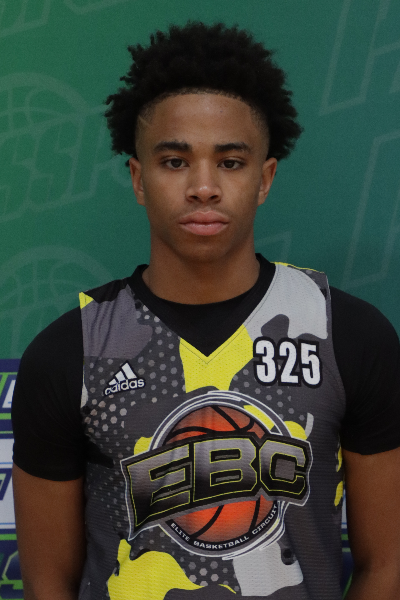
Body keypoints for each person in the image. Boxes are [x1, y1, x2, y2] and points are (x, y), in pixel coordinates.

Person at [11, 21, 400, 600]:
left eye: (230, 162)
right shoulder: (71, 352)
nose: (203, 187)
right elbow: (47, 584)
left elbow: (388, 565)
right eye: (174, 161)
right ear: (138, 179)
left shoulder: (346, 334)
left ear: (265, 178)